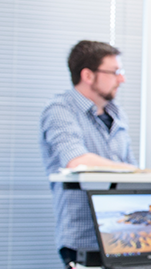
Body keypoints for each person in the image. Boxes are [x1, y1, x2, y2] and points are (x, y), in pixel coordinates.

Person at [39, 40, 139, 268]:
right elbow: (77, 161)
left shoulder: (117, 113)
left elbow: (131, 169)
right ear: (88, 75)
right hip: (84, 239)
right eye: (115, 72)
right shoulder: (60, 110)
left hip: (123, 236)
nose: (121, 79)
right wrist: (134, 171)